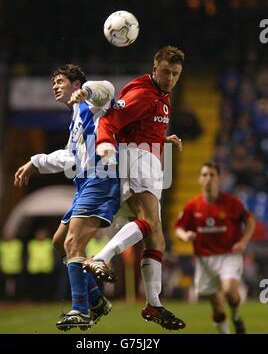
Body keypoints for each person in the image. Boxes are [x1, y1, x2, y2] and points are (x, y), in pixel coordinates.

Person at [83, 45, 186, 330]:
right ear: (155, 68)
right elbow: (112, 120)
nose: (170, 78)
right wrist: (105, 144)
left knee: (157, 239)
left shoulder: (161, 95)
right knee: (150, 224)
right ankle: (101, 257)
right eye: (165, 72)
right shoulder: (143, 93)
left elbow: (141, 127)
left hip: (148, 157)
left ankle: (153, 303)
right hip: (138, 159)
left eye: (175, 74)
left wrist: (163, 139)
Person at [14, 64, 120, 330]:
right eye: (53, 83)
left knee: (73, 242)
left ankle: (80, 309)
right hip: (84, 182)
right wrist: (35, 162)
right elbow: (69, 156)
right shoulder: (75, 117)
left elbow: (107, 90)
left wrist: (85, 91)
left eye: (59, 81)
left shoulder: (93, 103)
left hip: (101, 177)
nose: (54, 86)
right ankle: (96, 301)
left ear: (75, 84)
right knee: (60, 243)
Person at [175, 161, 255, 334]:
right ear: (199, 179)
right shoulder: (192, 206)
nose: (208, 179)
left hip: (229, 255)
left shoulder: (232, 203)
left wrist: (243, 242)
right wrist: (185, 236)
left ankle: (235, 315)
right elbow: (179, 228)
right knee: (218, 309)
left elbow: (250, 221)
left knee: (228, 291)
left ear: (219, 178)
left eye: (212, 175)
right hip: (204, 260)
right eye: (205, 175)